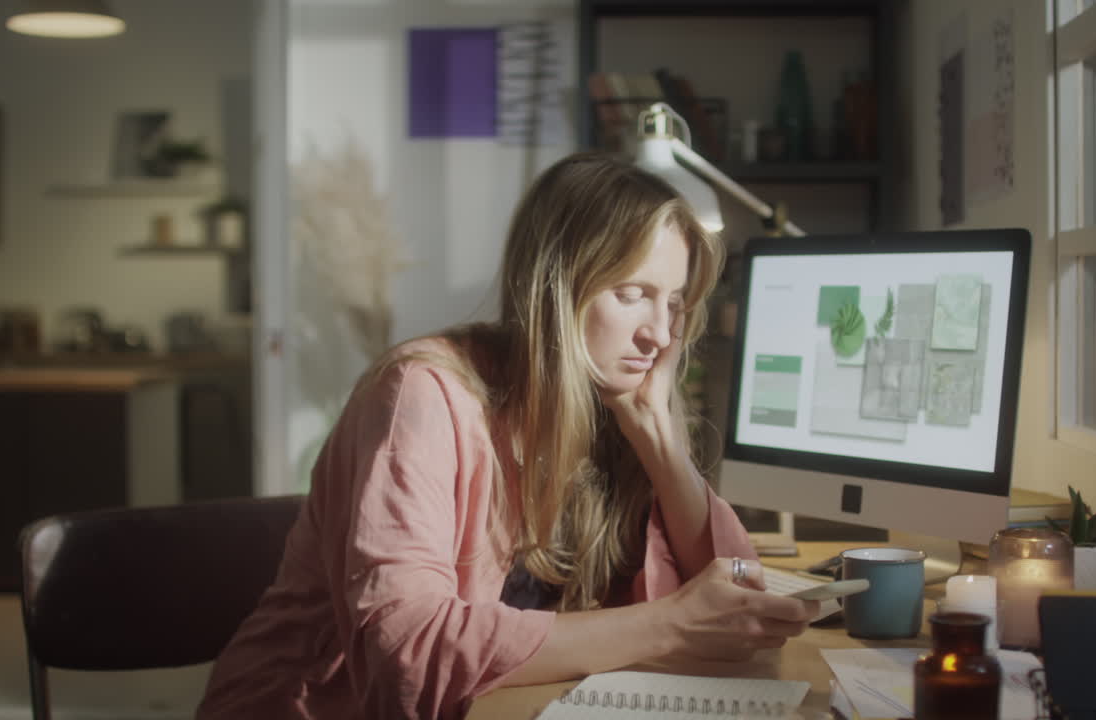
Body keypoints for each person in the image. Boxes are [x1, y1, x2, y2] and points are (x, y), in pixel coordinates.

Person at [196, 152, 818, 719]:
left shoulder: (618, 401)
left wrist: (658, 439)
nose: (659, 334)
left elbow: (740, 600)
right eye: (633, 295)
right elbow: (407, 648)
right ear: (557, 289)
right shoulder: (423, 394)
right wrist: (671, 624)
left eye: (674, 303)